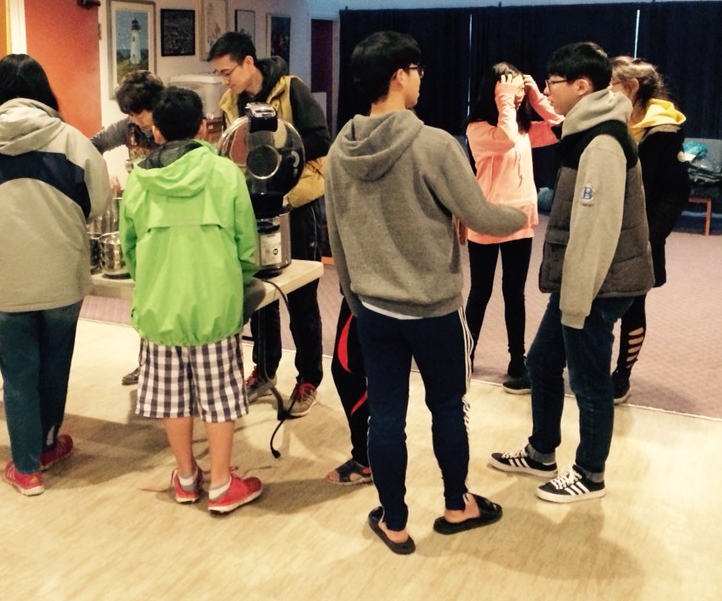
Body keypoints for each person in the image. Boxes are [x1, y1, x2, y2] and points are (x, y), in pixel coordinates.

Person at [325, 31, 527, 553]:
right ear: (399, 75)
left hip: (373, 308)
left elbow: (337, 238)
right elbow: (481, 216)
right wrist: (523, 214)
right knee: (447, 406)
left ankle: (394, 521)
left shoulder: (340, 151)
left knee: (386, 415)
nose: (421, 80)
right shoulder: (434, 144)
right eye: (417, 71)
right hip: (434, 310)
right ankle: (457, 505)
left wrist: (356, 301)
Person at [490, 42, 654, 503]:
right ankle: (542, 451)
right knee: (542, 363)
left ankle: (589, 473)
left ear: (582, 86)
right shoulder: (587, 130)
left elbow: (594, 232)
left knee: (588, 379)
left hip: (596, 285)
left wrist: (577, 302)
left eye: (552, 83)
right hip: (580, 282)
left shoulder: (602, 142)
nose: (547, 92)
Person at [0, 54, 111, 496]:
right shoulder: (73, 141)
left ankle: (26, 469)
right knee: (55, 364)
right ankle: (46, 445)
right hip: (62, 274)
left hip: (8, 278)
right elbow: (98, 203)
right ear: (44, 93)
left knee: (18, 372)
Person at [119, 87, 263, 514]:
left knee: (172, 397)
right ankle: (221, 484)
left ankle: (185, 479)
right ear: (202, 127)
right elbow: (246, 245)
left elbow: (130, 249)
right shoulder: (225, 173)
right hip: (214, 306)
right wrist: (237, 281)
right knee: (219, 396)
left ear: (156, 131)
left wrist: (152, 282)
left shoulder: (139, 180)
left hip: (160, 307)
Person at [207, 31, 330, 417]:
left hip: (297, 203)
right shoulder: (231, 103)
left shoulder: (292, 89)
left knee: (302, 296)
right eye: (218, 74)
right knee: (259, 293)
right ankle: (264, 368)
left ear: (248, 62)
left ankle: (308, 378)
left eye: (227, 72)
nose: (223, 81)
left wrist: (276, 152)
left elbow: (322, 140)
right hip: (253, 206)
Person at [465, 63, 561, 392]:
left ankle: (517, 360)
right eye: (509, 88)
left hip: (520, 218)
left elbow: (563, 127)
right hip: (487, 217)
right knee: (480, 292)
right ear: (493, 91)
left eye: (519, 89)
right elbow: (504, 139)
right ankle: (466, 353)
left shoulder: (523, 128)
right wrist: (506, 98)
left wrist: (535, 97)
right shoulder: (478, 128)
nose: (515, 95)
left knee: (514, 293)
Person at [608, 55, 690, 403]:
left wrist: (648, 235)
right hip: (603, 231)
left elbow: (676, 193)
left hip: (641, 238)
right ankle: (589, 366)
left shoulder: (664, 131)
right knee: (593, 306)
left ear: (631, 87)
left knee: (632, 305)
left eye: (611, 84)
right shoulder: (608, 121)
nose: (605, 91)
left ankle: (622, 375)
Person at [91, 69, 164, 387]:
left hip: (170, 222)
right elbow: (90, 145)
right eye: (130, 114)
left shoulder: (173, 125)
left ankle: (169, 366)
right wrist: (102, 172)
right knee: (144, 297)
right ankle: (147, 364)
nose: (135, 120)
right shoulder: (127, 128)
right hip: (142, 221)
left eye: (139, 113)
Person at [325, 299, 372, 485]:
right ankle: (377, 456)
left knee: (347, 370)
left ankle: (366, 459)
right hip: (433, 303)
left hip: (369, 294)